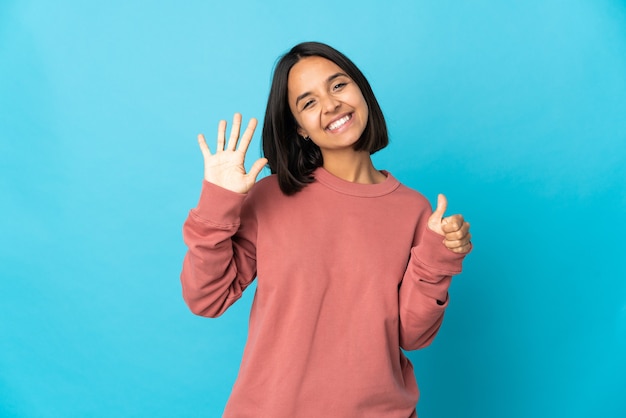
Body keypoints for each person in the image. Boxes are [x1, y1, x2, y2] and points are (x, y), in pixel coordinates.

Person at [180, 41, 472, 418]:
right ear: (299, 128)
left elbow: (411, 337)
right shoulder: (271, 197)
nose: (331, 104)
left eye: (337, 86)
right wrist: (217, 205)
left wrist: (439, 259)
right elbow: (207, 299)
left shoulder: (413, 210)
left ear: (361, 91)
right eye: (308, 102)